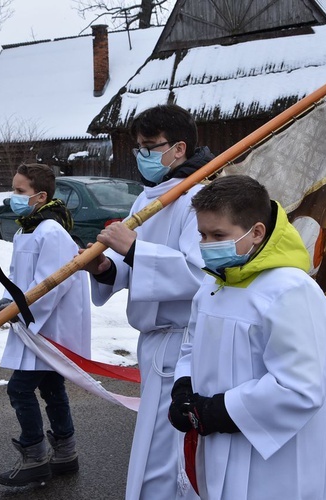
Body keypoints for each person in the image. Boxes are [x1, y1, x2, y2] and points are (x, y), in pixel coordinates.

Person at [169, 175, 326, 499]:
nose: (206, 246)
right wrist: (182, 388)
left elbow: (300, 387)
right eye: (202, 235)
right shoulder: (213, 285)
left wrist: (217, 412)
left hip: (271, 461)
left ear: (257, 232)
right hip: (215, 441)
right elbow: (192, 347)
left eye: (218, 235)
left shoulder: (291, 291)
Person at [81, 104, 213, 499]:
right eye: (138, 147)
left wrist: (136, 249)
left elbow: (201, 275)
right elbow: (132, 269)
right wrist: (107, 267)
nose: (142, 155)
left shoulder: (199, 199)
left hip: (183, 337)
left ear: (178, 149)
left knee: (172, 448)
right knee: (154, 443)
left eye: (150, 146)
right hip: (154, 342)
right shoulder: (148, 199)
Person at [0, 163, 91, 487]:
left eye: (20, 191)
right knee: (50, 387)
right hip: (34, 321)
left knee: (19, 388)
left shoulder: (51, 231)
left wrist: (20, 309)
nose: (14, 197)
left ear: (41, 196)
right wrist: (8, 298)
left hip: (50, 325)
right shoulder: (28, 229)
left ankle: (35, 456)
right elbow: (22, 277)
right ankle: (66, 452)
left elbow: (52, 283)